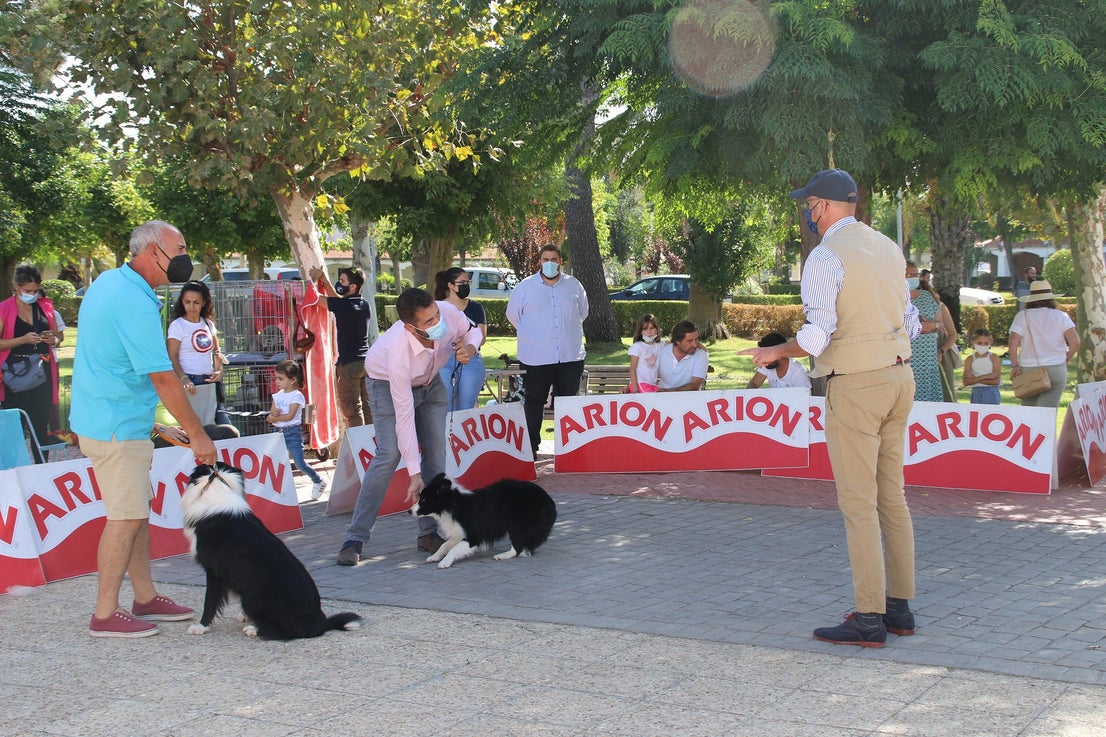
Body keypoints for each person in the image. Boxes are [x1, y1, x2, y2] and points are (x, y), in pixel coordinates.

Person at [741, 169, 921, 648]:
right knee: (892, 497)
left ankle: (867, 618)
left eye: (808, 206)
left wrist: (776, 353)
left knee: (859, 504)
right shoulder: (887, 247)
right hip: (899, 377)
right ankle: (899, 609)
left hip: (857, 385)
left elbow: (819, 334)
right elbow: (912, 323)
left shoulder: (825, 257)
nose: (807, 214)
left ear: (821, 206)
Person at [70, 220, 217, 638]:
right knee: (126, 516)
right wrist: (199, 434)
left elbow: (107, 360)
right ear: (154, 251)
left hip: (110, 418)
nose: (186, 255)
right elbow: (163, 376)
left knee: (135, 513)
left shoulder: (112, 282)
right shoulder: (131, 299)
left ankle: (146, 595)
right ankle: (104, 613)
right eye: (181, 246)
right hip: (116, 425)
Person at [336, 288, 483, 566]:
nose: (437, 322)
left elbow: (472, 330)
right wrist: (413, 473)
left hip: (431, 385)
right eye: (428, 322)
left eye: (436, 315)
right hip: (385, 385)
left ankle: (428, 534)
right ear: (410, 326)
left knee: (436, 455)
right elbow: (404, 417)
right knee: (389, 454)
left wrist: (471, 347)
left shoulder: (447, 312)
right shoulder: (398, 350)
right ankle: (355, 538)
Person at [506, 245, 589, 455]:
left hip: (570, 356)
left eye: (554, 258)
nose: (550, 262)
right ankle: (531, 447)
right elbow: (513, 316)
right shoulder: (525, 288)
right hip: (536, 357)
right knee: (534, 401)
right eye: (545, 259)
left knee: (567, 402)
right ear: (539, 262)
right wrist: (535, 335)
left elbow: (582, 313)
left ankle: (567, 449)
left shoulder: (574, 285)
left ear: (561, 261)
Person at [0, 265, 64, 446]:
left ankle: (41, 467)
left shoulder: (45, 308)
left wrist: (54, 340)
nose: (32, 295)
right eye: (28, 290)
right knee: (15, 430)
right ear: (16, 287)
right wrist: (22, 340)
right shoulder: (4, 309)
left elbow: (58, 337)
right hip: (15, 376)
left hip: (42, 374)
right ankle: (14, 471)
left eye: (36, 291)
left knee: (41, 429)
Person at [308, 265, 373, 428]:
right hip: (366, 362)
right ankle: (372, 444)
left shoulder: (343, 306)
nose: (339, 283)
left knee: (352, 410)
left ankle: (360, 449)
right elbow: (337, 299)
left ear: (352, 286)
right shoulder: (363, 304)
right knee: (367, 407)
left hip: (348, 365)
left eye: (342, 281)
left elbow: (315, 298)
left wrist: (315, 279)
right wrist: (326, 281)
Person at [167, 280, 230, 426]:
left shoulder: (208, 323)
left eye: (196, 302)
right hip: (190, 383)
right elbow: (172, 356)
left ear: (204, 303)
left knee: (225, 428)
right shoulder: (177, 325)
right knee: (197, 429)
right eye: (187, 302)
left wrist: (219, 370)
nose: (191, 307)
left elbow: (216, 351)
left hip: (210, 382)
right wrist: (183, 378)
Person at [1008, 280, 1080, 409]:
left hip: (1029, 367)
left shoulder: (1022, 316)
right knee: (1049, 410)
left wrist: (1014, 365)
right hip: (1056, 366)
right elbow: (1075, 341)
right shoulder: (1061, 316)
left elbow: (1013, 342)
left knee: (1028, 411)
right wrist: (1067, 358)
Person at [267, 359, 327, 500]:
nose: (277, 381)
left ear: (293, 380)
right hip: (278, 433)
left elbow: (289, 416)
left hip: (292, 432)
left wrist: (274, 418)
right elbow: (270, 416)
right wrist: (273, 416)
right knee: (277, 463)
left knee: (300, 463)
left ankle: (318, 481)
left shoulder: (297, 396)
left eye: (280, 379)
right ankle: (279, 491)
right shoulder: (277, 396)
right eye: (276, 378)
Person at [434, 267, 487, 410]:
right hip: (444, 359)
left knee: (466, 409)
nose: (466, 285)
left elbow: (480, 336)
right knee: (445, 406)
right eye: (462, 282)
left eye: (467, 282)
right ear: (451, 285)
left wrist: (467, 347)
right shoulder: (437, 307)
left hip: (470, 359)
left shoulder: (475, 307)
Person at [906, 262, 943, 402]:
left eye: (914, 275)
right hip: (905, 359)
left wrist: (933, 325)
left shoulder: (927, 297)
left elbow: (941, 324)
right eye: (906, 275)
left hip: (927, 360)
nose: (910, 278)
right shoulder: (892, 298)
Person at [746, 332, 811, 389]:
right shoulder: (767, 364)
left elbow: (803, 398)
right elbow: (754, 384)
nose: (762, 359)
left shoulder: (799, 372)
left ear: (778, 354)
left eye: (766, 355)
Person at [656, 320, 708, 392]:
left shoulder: (701, 354)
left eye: (696, 339)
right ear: (678, 341)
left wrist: (669, 391)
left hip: (689, 399)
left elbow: (695, 385)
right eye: (689, 341)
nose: (695, 345)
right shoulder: (662, 351)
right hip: (662, 399)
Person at [962, 328, 1001, 405]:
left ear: (990, 343)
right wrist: (986, 377)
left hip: (992, 392)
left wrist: (974, 378)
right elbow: (966, 382)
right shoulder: (970, 359)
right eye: (979, 343)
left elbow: (996, 381)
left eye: (986, 343)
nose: (983, 346)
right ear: (973, 342)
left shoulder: (994, 358)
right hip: (976, 392)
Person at [627, 313, 662, 393]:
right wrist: (635, 390)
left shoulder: (659, 345)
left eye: (652, 328)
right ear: (640, 331)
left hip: (652, 384)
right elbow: (632, 369)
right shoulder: (637, 347)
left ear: (657, 329)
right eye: (645, 329)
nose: (649, 332)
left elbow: (676, 342)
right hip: (640, 384)